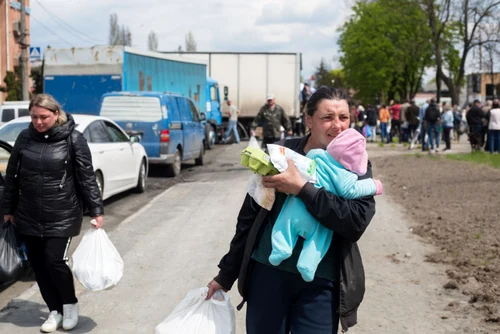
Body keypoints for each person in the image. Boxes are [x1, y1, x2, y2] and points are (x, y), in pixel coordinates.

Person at [206, 86, 376, 334]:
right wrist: (226, 274)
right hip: (267, 275)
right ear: (309, 120)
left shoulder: (356, 164)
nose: (337, 126)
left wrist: (302, 189)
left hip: (321, 282)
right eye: (327, 117)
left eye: (344, 118)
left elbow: (356, 222)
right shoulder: (280, 154)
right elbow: (249, 216)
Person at [2, 94, 104, 333]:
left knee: (54, 261)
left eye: (44, 117)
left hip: (62, 213)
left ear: (56, 114)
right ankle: (54, 311)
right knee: (38, 265)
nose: (38, 122)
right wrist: (8, 209)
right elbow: (11, 177)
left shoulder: (73, 139)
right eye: (34, 117)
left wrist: (96, 210)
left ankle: (69, 305)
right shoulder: (24, 138)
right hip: (28, 213)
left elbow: (87, 178)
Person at [269, 128, 382, 282]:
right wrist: (374, 185)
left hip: (296, 208)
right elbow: (351, 191)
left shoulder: (316, 154)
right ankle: (307, 265)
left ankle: (279, 249)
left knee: (285, 222)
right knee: (321, 237)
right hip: (316, 221)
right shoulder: (345, 175)